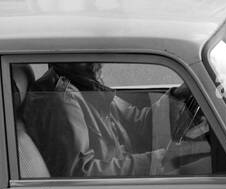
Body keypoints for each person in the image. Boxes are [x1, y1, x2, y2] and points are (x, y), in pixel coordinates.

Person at [24, 62, 208, 178]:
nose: (101, 64)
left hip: (121, 184)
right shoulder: (61, 101)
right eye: (94, 58)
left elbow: (138, 122)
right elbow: (81, 173)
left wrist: (178, 96)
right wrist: (156, 161)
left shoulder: (86, 86)